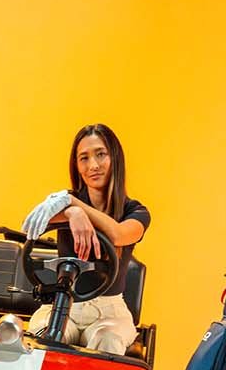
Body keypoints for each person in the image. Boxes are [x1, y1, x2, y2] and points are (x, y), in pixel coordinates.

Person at [25, 124, 151, 355]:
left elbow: (118, 235)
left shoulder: (136, 212)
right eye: (84, 158)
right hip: (64, 305)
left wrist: (75, 206)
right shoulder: (62, 204)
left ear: (115, 158)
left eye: (100, 154)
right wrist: (71, 212)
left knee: (108, 340)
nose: (93, 165)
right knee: (47, 336)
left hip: (110, 313)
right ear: (77, 166)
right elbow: (34, 222)